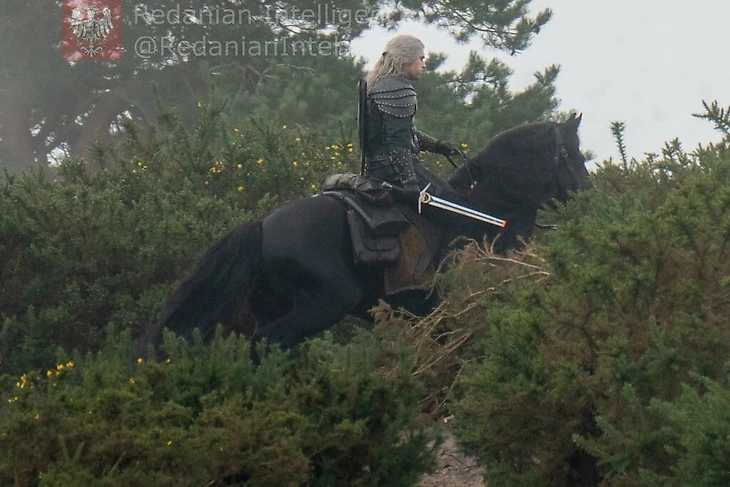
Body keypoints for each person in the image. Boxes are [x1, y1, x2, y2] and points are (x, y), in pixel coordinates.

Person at [361, 34, 461, 200]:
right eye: (421, 58)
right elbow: (398, 141)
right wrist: (409, 181)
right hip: (393, 171)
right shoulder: (398, 89)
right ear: (405, 59)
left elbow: (404, 132)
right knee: (451, 200)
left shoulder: (377, 84)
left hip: (375, 169)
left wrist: (437, 145)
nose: (424, 64)